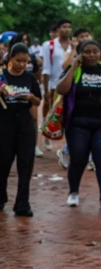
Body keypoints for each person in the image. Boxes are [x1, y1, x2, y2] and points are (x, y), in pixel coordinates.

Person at [0, 43, 41, 217]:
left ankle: (22, 204)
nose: (22, 65)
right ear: (10, 59)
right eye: (18, 61)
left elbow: (38, 101)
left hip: (25, 125)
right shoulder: (0, 76)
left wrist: (31, 97)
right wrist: (0, 91)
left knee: (26, 165)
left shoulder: (30, 78)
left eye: (25, 62)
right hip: (6, 125)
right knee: (4, 163)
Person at [57, 39, 101, 207]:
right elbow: (61, 89)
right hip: (78, 123)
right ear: (81, 54)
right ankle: (73, 191)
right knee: (78, 157)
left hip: (99, 124)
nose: (92, 55)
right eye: (87, 52)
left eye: (95, 51)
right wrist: (74, 66)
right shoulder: (75, 70)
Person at [57, 28, 92, 170]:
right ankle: (66, 151)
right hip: (74, 99)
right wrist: (74, 50)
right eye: (82, 36)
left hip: (93, 102)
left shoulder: (94, 52)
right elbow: (65, 66)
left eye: (87, 35)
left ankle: (90, 158)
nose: (85, 38)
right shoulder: (73, 52)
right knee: (79, 135)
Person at [41, 19, 72, 150]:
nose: (67, 30)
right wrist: (47, 88)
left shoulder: (73, 46)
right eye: (64, 27)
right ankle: (46, 133)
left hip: (70, 84)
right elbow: (46, 67)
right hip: (55, 84)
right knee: (54, 113)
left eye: (69, 27)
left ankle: (66, 145)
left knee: (68, 114)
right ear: (58, 29)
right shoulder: (49, 45)